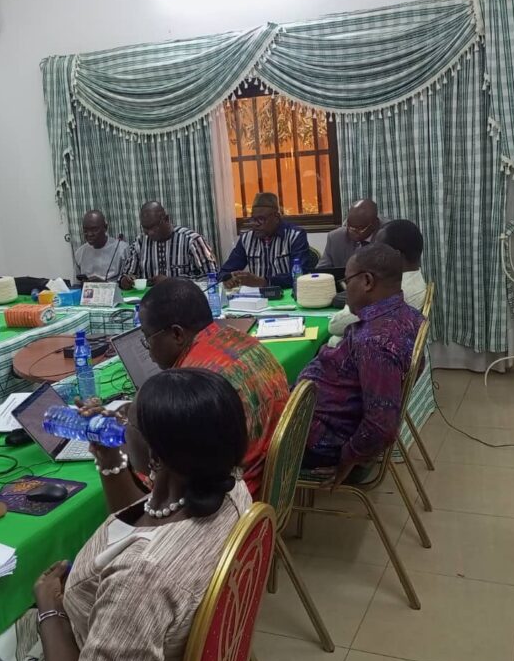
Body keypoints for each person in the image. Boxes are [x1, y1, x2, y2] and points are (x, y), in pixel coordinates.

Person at [0, 369, 251, 661]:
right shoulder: (229, 488)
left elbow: (135, 594)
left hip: (80, 637)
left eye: (129, 419)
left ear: (157, 455)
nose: (117, 420)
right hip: (132, 632)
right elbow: (144, 511)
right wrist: (110, 456)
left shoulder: (141, 578)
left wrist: (50, 609)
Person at [136, 278, 288, 495]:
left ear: (177, 334)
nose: (148, 350)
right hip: (273, 479)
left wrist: (123, 448)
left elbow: (168, 483)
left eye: (147, 339)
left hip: (238, 500)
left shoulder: (195, 388)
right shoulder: (241, 339)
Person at [299, 244, 423, 488]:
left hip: (321, 442)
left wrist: (348, 458)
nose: (346, 290)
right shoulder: (407, 314)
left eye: (347, 281)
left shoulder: (375, 342)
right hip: (328, 419)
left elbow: (381, 425)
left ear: (367, 281)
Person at [327, 218, 427, 347]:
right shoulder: (411, 278)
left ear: (396, 255)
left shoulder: (396, 291)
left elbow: (335, 326)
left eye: (379, 248)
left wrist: (353, 297)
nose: (374, 252)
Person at [220, 192, 311, 289]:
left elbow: (300, 276)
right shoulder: (247, 239)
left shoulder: (295, 236)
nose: (255, 224)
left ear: (276, 218)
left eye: (261, 219)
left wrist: (265, 282)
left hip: (288, 295)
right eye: (253, 219)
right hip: (257, 299)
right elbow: (224, 272)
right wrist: (229, 278)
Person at [121, 201, 217, 287]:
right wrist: (125, 280)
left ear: (166, 219)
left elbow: (213, 278)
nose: (150, 232)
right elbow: (128, 274)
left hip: (185, 299)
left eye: (153, 227)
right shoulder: (140, 243)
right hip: (150, 300)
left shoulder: (192, 240)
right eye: (145, 228)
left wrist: (173, 282)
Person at [317, 199, 386, 269]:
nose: (351, 231)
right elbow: (322, 270)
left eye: (359, 228)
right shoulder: (335, 237)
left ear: (374, 224)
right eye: (349, 225)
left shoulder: (389, 236)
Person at [73, 210, 130, 286]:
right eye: (85, 230)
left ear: (105, 228)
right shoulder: (80, 253)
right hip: (88, 295)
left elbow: (128, 284)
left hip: (117, 295)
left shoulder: (122, 249)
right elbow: (76, 285)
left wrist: (103, 284)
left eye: (94, 229)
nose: (89, 234)